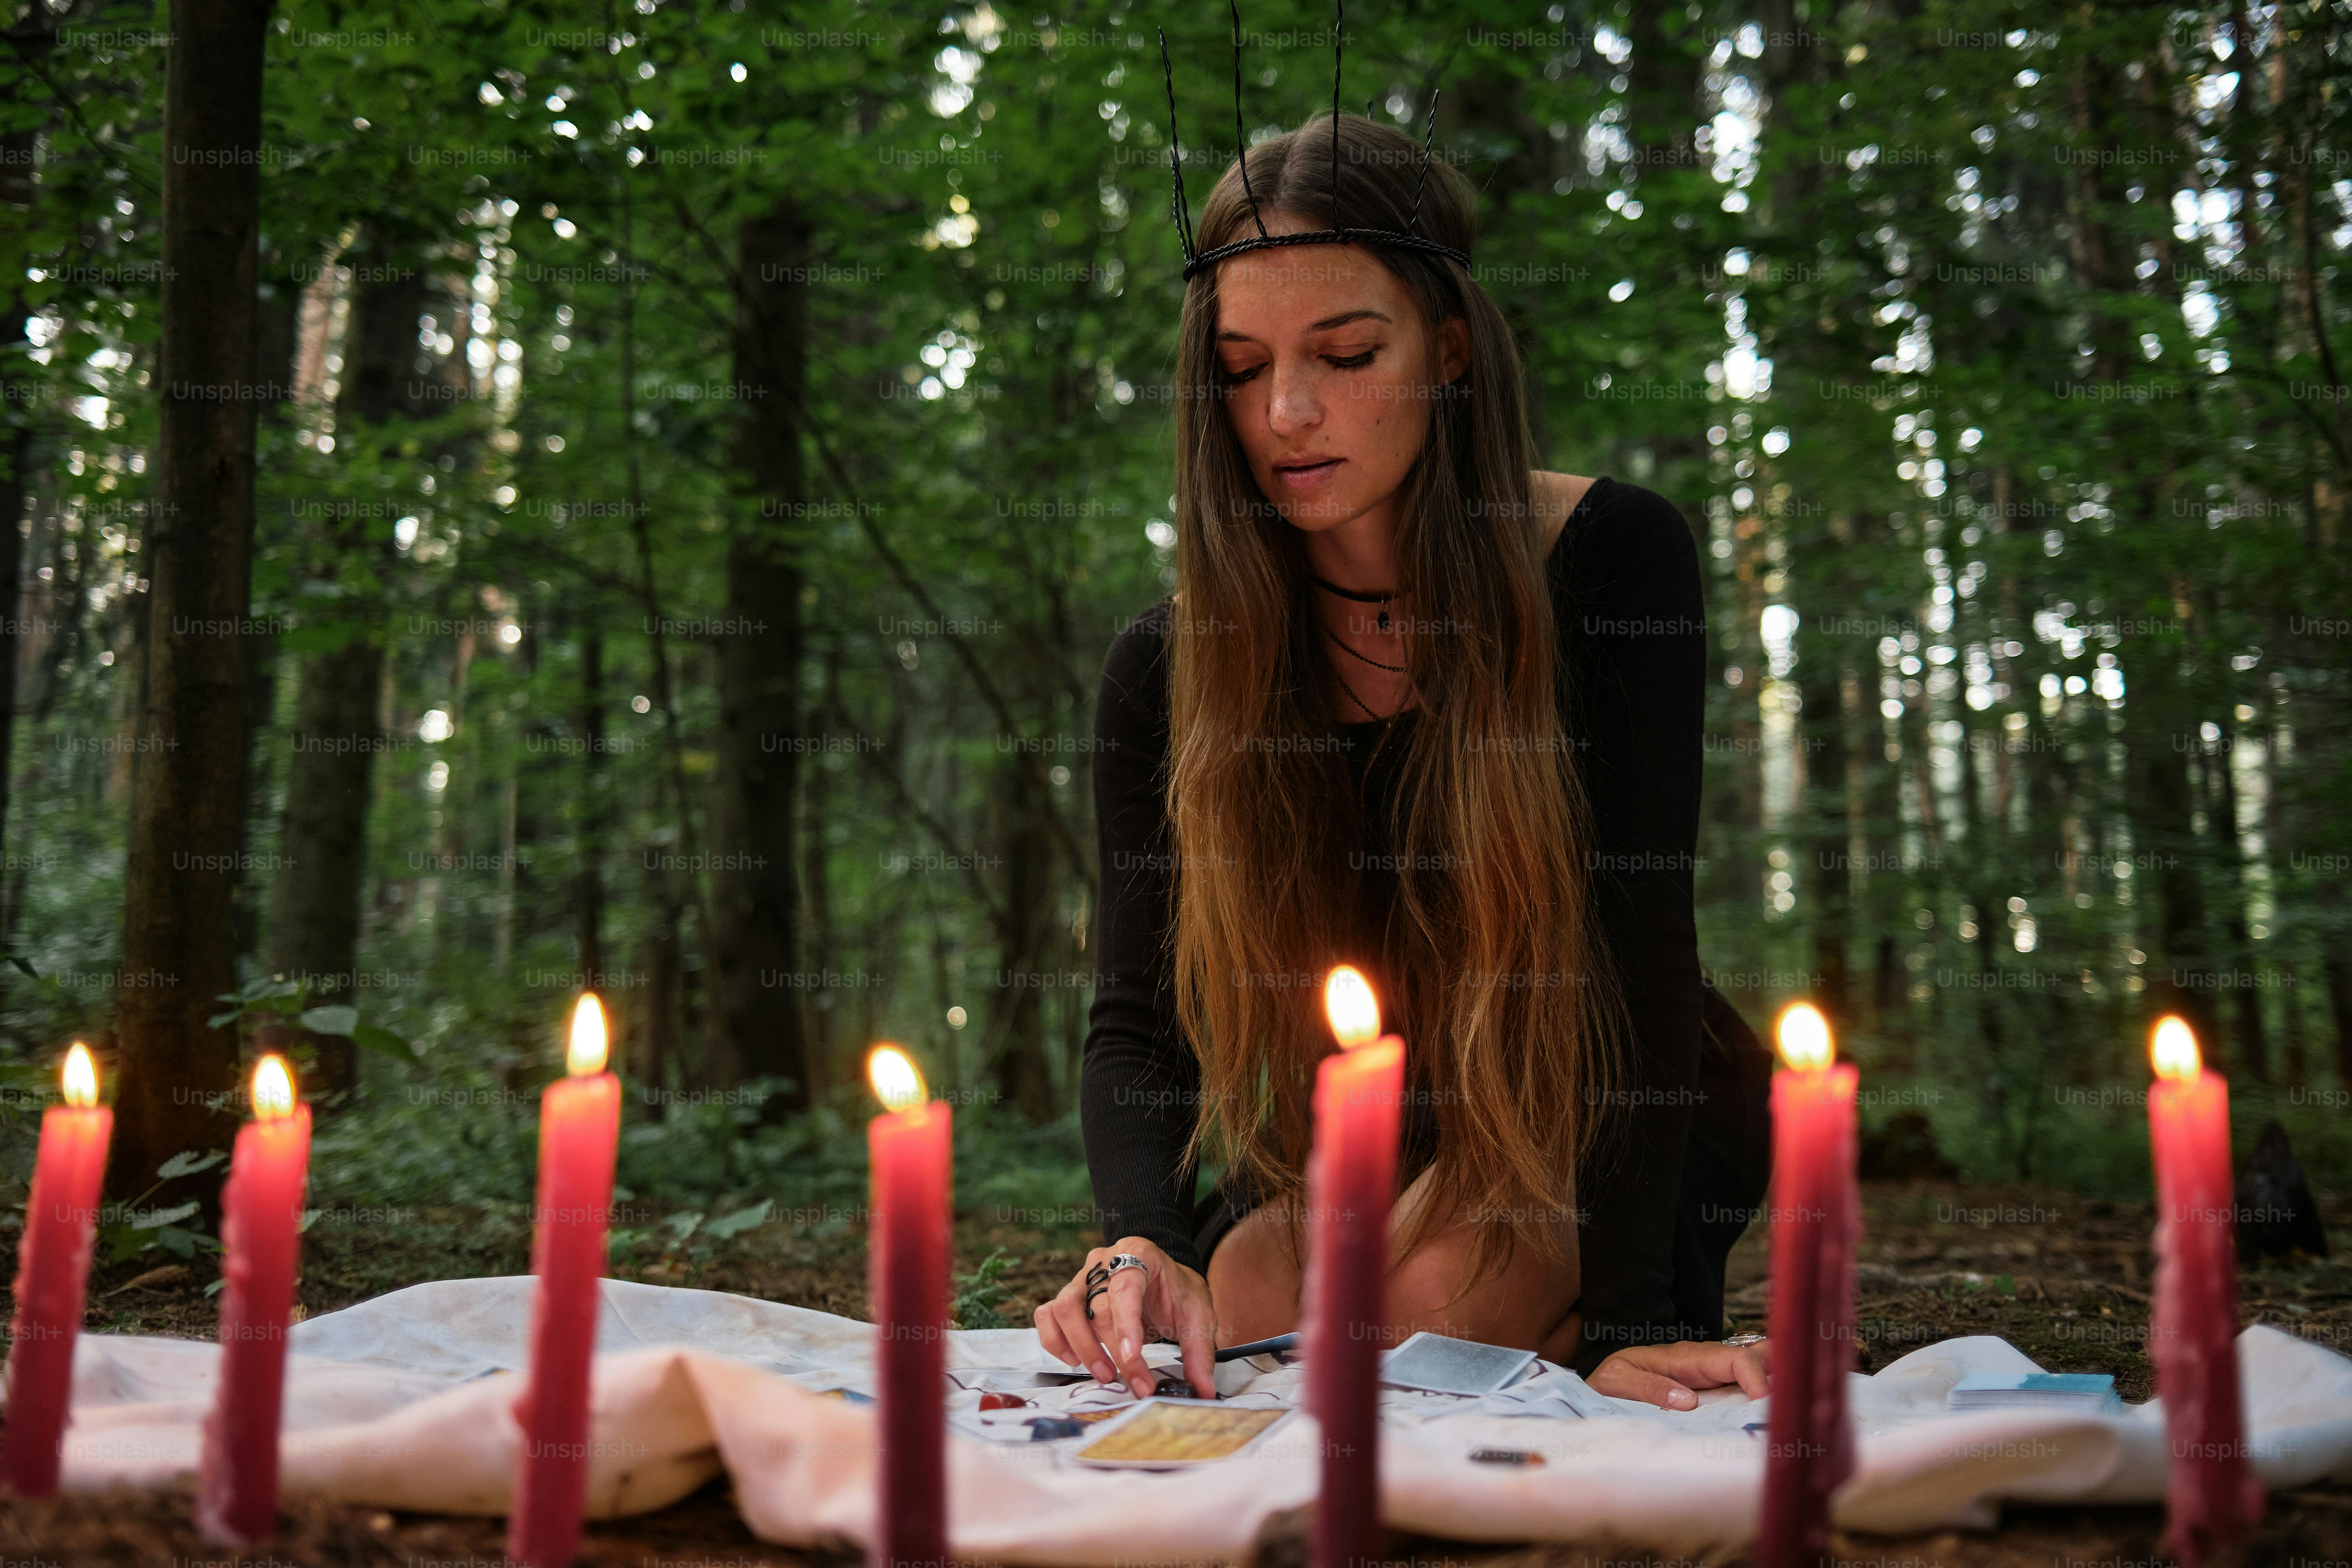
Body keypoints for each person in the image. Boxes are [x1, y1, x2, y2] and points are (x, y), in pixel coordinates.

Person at [1036, 111, 1774, 1411]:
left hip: (1589, 1104)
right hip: (1360, 1130)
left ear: (1444, 350)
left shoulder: (1610, 565)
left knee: (1423, 1324)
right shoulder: (1169, 667)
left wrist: (1628, 1320)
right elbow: (1139, 1025)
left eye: (1347, 353)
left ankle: (1546, 1318)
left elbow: (1642, 954)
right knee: (1251, 1312)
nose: (1288, 414)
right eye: (1242, 365)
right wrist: (1139, 1238)